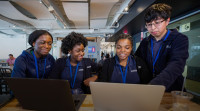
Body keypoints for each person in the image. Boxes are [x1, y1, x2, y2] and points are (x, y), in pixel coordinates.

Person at [135, 3, 189, 92]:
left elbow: (175, 66)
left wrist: (153, 86)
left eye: (157, 23)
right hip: (147, 89)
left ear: (167, 21)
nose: (153, 28)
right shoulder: (145, 42)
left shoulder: (179, 39)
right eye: (149, 24)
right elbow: (136, 61)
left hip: (171, 90)